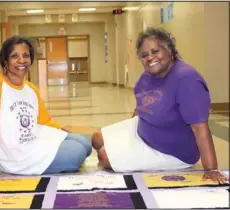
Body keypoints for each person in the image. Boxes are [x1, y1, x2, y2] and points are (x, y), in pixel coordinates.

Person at [92, 27, 227, 184]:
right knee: (96, 138)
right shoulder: (147, 75)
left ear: (169, 49)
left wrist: (211, 169)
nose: (150, 58)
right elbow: (141, 107)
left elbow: (200, 127)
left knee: (104, 155)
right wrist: (130, 137)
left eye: (155, 51)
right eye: (144, 55)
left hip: (171, 150)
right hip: (145, 129)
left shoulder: (187, 80)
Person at [0, 36, 91, 185]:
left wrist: (61, 131)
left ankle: (61, 154)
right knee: (77, 152)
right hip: (16, 156)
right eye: (14, 56)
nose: (21, 61)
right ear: (5, 61)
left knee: (84, 143)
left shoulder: (31, 88)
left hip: (34, 139)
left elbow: (44, 120)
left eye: (26, 56)